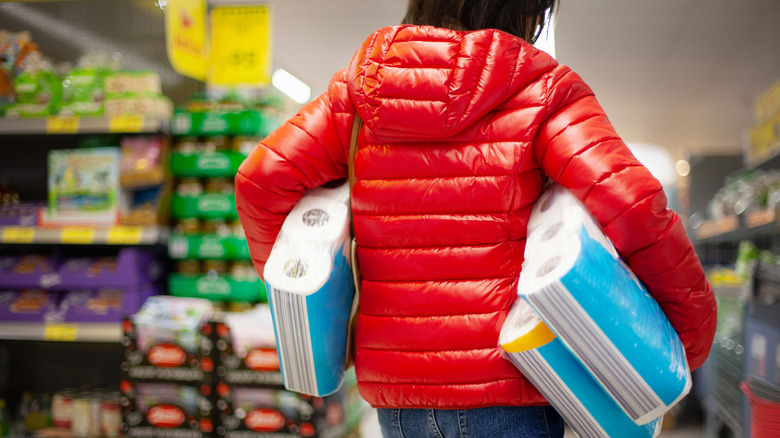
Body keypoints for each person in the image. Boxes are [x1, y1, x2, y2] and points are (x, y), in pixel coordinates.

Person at [235, 0, 718, 436]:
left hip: (400, 396)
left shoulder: (359, 92)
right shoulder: (542, 89)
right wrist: (688, 338)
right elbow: (631, 204)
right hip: (510, 388)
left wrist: (307, 294)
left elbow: (261, 180)